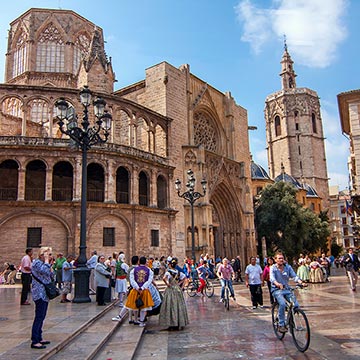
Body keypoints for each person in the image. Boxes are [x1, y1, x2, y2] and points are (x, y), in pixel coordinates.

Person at [270, 251, 304, 333]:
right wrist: (277, 284)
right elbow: (272, 278)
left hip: (286, 289)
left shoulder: (288, 267)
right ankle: (281, 324)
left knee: (295, 305)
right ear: (275, 260)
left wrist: (300, 282)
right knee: (282, 303)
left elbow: (294, 276)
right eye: (279, 258)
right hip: (276, 289)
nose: (281, 260)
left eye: (282, 258)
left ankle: (290, 319)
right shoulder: (273, 268)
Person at [30, 247, 54, 349]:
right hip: (39, 293)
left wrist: (50, 266)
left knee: (42, 316)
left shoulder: (45, 264)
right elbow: (44, 271)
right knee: (39, 317)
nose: (50, 256)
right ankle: (35, 341)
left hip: (44, 294)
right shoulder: (37, 263)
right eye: (48, 254)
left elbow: (51, 275)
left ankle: (39, 337)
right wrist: (47, 262)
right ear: (42, 255)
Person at [124, 256, 154, 327]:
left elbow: (132, 280)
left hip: (135, 290)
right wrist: (143, 287)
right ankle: (141, 321)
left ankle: (122, 317)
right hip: (145, 290)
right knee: (144, 307)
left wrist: (137, 287)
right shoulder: (149, 270)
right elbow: (149, 280)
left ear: (139, 262)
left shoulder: (133, 270)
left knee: (132, 304)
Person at [159, 258, 189, 330]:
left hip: (171, 290)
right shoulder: (178, 272)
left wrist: (167, 284)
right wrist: (180, 285)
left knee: (171, 306)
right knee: (178, 305)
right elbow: (184, 278)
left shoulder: (168, 272)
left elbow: (164, 278)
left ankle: (172, 323)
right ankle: (179, 322)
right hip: (177, 289)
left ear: (170, 265)